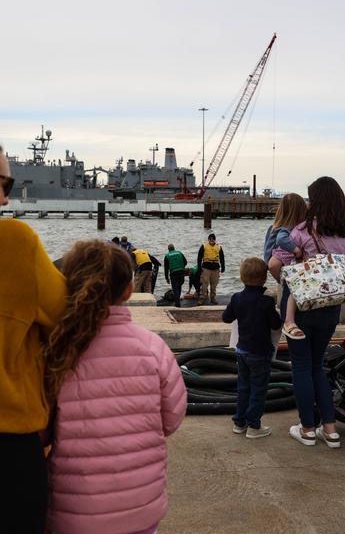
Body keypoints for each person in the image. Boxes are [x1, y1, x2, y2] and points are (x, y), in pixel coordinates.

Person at [44, 240, 187, 534]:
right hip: (141, 507)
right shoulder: (153, 348)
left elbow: (41, 429)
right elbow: (171, 420)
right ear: (129, 290)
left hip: (75, 514)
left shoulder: (55, 350)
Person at [0, 150, 66, 533]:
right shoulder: (16, 242)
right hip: (8, 444)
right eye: (4, 184)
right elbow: (65, 316)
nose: (7, 198)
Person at [269, 176, 345, 448]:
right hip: (331, 306)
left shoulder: (301, 231)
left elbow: (273, 264)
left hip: (302, 307)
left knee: (301, 367)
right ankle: (330, 430)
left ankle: (306, 429)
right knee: (318, 365)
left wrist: (286, 281)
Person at [223, 257, 281, 438]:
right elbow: (276, 324)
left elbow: (226, 317)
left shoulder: (237, 298)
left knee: (243, 387)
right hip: (260, 352)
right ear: (264, 278)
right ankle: (254, 426)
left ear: (241, 277)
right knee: (259, 389)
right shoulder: (266, 301)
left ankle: (239, 422)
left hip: (242, 351)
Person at [264, 193, 307, 340]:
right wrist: (296, 250)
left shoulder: (276, 226)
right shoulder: (287, 228)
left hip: (276, 262)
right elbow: (273, 256)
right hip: (280, 260)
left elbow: (268, 253)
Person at [197, 233, 225, 305]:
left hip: (215, 268)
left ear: (215, 240)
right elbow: (199, 257)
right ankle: (201, 299)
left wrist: (223, 267)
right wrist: (199, 267)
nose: (211, 240)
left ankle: (213, 298)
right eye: (210, 239)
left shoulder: (219, 247)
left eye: (213, 239)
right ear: (208, 239)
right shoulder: (204, 246)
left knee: (214, 284)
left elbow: (222, 258)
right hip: (206, 268)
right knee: (204, 284)